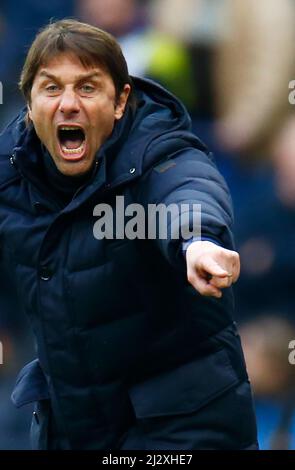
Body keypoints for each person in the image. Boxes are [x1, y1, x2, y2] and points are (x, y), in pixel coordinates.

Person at [0, 19, 258, 450]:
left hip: (183, 430)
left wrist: (198, 242)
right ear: (29, 103)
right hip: (75, 426)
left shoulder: (159, 150)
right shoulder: (10, 177)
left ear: (121, 101)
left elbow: (186, 191)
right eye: (51, 88)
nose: (68, 104)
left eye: (87, 87)